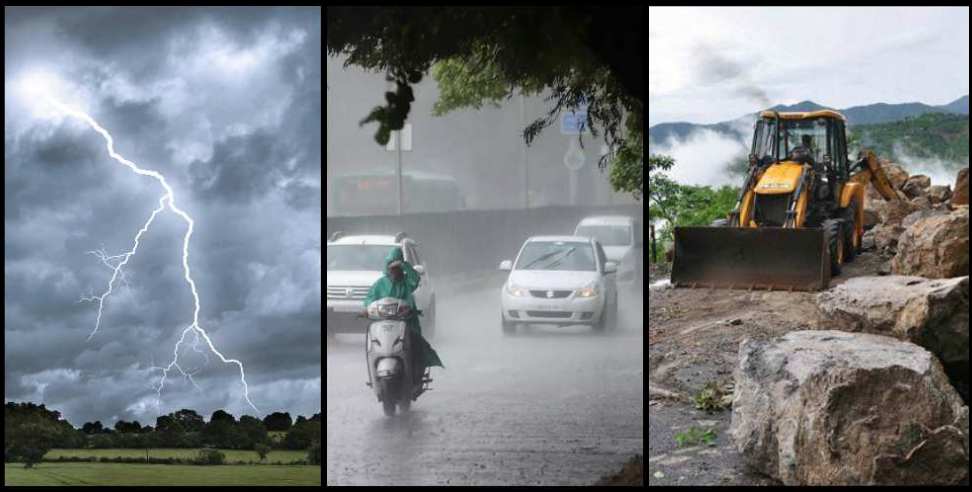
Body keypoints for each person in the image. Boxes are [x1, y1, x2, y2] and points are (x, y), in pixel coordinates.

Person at [363, 247, 443, 380]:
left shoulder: (407, 281)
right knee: (371, 345)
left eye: (397, 267)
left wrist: (405, 264)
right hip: (383, 323)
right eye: (392, 267)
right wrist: (368, 308)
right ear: (387, 267)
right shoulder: (380, 284)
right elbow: (369, 299)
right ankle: (373, 376)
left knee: (417, 344)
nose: (394, 271)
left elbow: (415, 280)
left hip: (407, 322)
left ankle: (417, 373)